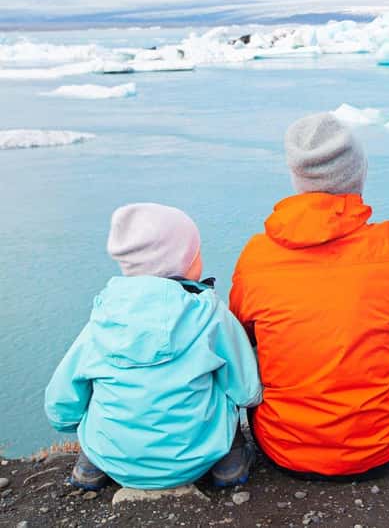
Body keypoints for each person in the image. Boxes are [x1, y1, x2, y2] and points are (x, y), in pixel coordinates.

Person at [229, 112, 389, 481]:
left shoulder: (256, 256)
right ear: (359, 174)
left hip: (283, 449)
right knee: (383, 337)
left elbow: (243, 334)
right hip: (382, 447)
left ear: (297, 178)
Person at [44, 203, 262, 490]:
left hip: (115, 461)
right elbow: (247, 391)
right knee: (223, 393)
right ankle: (230, 466)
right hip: (195, 460)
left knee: (98, 400)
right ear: (182, 261)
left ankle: (90, 464)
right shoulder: (211, 314)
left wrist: (71, 423)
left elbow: (60, 405)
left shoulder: (102, 320)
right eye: (196, 252)